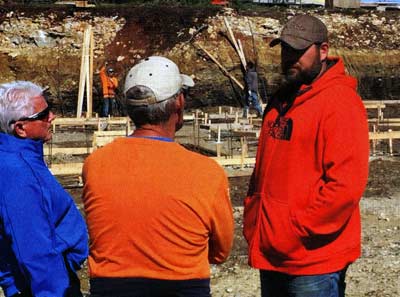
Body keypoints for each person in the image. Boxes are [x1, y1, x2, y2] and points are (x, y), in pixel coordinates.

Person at [82, 56, 234, 297]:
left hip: (111, 288)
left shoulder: (95, 164)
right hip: (183, 287)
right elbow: (220, 252)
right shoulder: (207, 172)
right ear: (179, 103)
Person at [243, 15, 370, 297]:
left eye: (299, 52)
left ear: (323, 51)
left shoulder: (340, 104)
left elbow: (345, 187)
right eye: (285, 50)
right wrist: (255, 219)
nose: (290, 58)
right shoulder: (281, 100)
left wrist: (296, 228)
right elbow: (263, 170)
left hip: (314, 260)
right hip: (273, 250)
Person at [0, 81, 88, 297]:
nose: (52, 117)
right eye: (44, 113)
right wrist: (55, 291)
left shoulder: (19, 159)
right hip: (47, 284)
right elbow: (34, 249)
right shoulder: (19, 172)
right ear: (21, 128)